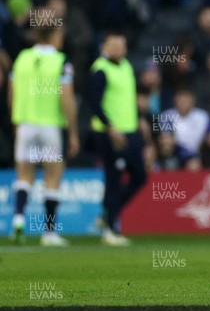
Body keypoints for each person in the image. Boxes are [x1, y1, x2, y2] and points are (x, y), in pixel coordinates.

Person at [9, 26, 79, 246]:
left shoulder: (22, 58)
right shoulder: (60, 61)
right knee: (52, 177)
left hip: (25, 124)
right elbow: (66, 97)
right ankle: (49, 233)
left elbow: (11, 93)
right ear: (53, 36)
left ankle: (18, 221)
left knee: (24, 176)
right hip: (49, 126)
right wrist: (73, 131)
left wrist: (16, 120)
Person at [89, 31, 147, 246]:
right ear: (105, 46)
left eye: (123, 45)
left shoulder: (125, 66)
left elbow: (126, 98)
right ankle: (111, 229)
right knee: (113, 178)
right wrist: (110, 126)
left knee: (140, 176)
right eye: (116, 45)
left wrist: (139, 119)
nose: (121, 49)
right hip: (109, 133)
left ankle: (107, 215)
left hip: (129, 130)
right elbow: (94, 103)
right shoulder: (100, 70)